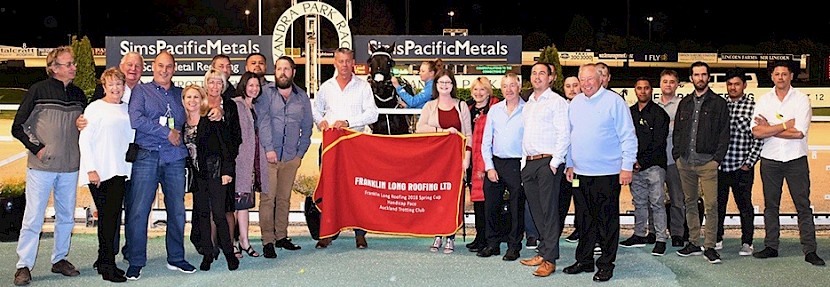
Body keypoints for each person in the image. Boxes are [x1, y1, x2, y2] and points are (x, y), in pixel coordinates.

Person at [11, 46, 86, 286]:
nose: (74, 67)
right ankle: (23, 265)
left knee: (66, 217)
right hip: (41, 167)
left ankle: (60, 259)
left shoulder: (79, 95)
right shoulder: (38, 90)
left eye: (73, 63)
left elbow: (85, 127)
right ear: (54, 68)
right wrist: (37, 148)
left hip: (70, 166)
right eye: (69, 64)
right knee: (33, 218)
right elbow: (18, 126)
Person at [124, 51, 197, 279]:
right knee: (138, 211)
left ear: (174, 69)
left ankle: (176, 258)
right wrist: (166, 132)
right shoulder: (141, 91)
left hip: (174, 158)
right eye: (160, 66)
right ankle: (136, 260)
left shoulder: (180, 94)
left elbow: (196, 111)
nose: (164, 70)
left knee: (176, 210)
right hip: (146, 156)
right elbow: (136, 120)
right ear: (153, 67)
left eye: (169, 66)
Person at [563, 63, 637, 282]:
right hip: (580, 174)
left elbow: (628, 136)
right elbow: (570, 136)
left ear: (601, 79)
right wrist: (569, 163)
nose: (586, 84)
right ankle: (584, 260)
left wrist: (627, 166)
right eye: (582, 80)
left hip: (607, 174)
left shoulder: (614, 102)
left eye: (590, 79)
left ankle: (606, 263)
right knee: (584, 220)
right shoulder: (575, 103)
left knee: (606, 221)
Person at [751, 61, 825, 266]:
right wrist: (785, 125)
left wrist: (771, 128)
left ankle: (810, 250)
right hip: (770, 159)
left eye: (785, 74)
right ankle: (771, 246)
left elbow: (799, 132)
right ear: (772, 77)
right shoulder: (764, 100)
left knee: (803, 206)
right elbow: (757, 132)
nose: (781, 77)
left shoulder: (801, 99)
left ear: (791, 76)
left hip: (796, 160)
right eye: (777, 74)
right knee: (770, 206)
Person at [77, 51, 144, 270]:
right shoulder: (95, 107)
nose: (115, 88)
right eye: (111, 84)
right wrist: (91, 170)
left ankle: (107, 259)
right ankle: (106, 262)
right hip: (101, 172)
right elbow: (84, 140)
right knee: (108, 219)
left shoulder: (128, 106)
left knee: (113, 218)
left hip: (122, 170)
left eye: (118, 84)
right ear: (104, 86)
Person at [313, 47, 378, 249]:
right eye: (340, 61)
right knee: (330, 187)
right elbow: (315, 108)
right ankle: (329, 231)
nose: (344, 65)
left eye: (348, 61)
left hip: (356, 144)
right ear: (335, 63)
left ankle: (360, 233)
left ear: (353, 63)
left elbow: (373, 114)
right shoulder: (326, 87)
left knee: (359, 188)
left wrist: (349, 122)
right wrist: (321, 121)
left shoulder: (363, 87)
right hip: (331, 145)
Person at [672, 61, 730, 264]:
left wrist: (716, 160)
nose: (700, 78)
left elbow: (724, 134)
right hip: (686, 162)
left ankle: (710, 246)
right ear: (691, 78)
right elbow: (678, 131)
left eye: (704, 74)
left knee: (712, 205)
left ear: (708, 77)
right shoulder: (685, 103)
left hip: (708, 164)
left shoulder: (718, 103)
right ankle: (694, 242)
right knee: (690, 203)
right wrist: (677, 155)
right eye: (696, 75)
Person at [516, 63, 569, 277]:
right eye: (534, 73)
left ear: (551, 78)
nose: (537, 77)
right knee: (537, 213)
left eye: (542, 73)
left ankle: (550, 259)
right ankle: (543, 250)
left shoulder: (557, 102)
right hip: (529, 163)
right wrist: (522, 163)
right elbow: (526, 136)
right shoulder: (528, 104)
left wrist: (555, 162)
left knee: (548, 212)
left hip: (548, 164)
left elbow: (564, 133)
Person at [256, 56, 313, 256]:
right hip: (269, 157)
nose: (282, 72)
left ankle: (281, 236)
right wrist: (268, 149)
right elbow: (262, 123)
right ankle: (267, 241)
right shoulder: (265, 93)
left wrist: (300, 154)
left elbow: (307, 127)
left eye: (286, 69)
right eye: (279, 68)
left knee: (284, 199)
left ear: (293, 72)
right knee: (267, 199)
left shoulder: (302, 97)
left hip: (290, 158)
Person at [181, 85, 239, 271]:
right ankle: (207, 254)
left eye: (196, 97)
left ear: (202, 99)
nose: (192, 100)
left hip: (216, 173)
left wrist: (227, 172)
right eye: (188, 97)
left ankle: (230, 254)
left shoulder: (212, 120)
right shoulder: (183, 125)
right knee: (203, 216)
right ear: (183, 101)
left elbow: (226, 147)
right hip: (198, 177)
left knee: (219, 215)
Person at [415, 69, 472, 254]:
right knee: (436, 197)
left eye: (448, 83)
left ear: (453, 85)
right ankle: (437, 234)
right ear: (436, 85)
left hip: (455, 161)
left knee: (453, 198)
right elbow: (420, 128)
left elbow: (468, 135)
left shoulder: (461, 106)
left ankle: (450, 236)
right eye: (441, 83)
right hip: (434, 161)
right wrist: (442, 131)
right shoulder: (429, 106)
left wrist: (466, 159)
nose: (445, 86)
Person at [619, 78, 670, 256]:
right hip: (634, 166)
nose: (642, 91)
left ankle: (660, 239)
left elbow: (658, 142)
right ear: (635, 90)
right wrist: (631, 161)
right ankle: (640, 234)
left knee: (657, 203)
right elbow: (624, 137)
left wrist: (641, 161)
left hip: (654, 166)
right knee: (639, 202)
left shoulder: (659, 114)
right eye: (639, 88)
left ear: (651, 90)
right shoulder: (629, 113)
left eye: (646, 88)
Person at [479, 72, 526, 262]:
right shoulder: (495, 110)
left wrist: (525, 167)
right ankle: (493, 244)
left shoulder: (529, 110)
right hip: (496, 163)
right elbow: (485, 142)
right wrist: (489, 167)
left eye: (512, 85)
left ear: (519, 87)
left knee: (516, 208)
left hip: (518, 164)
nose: (509, 89)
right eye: (505, 86)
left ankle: (514, 247)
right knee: (491, 205)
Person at [716, 69, 762, 257]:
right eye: (729, 84)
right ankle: (717, 238)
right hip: (720, 166)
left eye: (736, 84)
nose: (732, 87)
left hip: (741, 167)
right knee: (717, 206)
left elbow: (758, 139)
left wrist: (748, 163)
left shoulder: (753, 108)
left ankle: (747, 242)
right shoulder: (720, 106)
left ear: (744, 85)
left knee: (745, 206)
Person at [202, 68, 242, 259]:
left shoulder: (230, 106)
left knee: (227, 209)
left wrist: (228, 162)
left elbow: (237, 136)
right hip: (203, 167)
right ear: (206, 84)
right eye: (211, 82)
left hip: (225, 165)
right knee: (208, 210)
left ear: (224, 85)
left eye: (219, 83)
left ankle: (230, 245)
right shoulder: (198, 103)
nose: (215, 86)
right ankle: (210, 248)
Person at [231, 72, 268, 259]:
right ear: (243, 85)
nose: (254, 89)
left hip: (251, 163)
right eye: (250, 85)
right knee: (236, 205)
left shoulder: (255, 107)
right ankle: (233, 243)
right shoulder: (235, 105)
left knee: (244, 205)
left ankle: (245, 241)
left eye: (257, 86)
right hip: (238, 163)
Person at [465, 76, 502, 252]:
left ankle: (490, 239)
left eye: (482, 89)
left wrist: (484, 164)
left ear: (489, 91)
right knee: (477, 202)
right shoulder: (469, 108)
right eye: (475, 90)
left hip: (488, 161)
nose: (478, 93)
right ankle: (480, 237)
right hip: (472, 160)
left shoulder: (496, 108)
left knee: (489, 202)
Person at [655, 69, 688, 247]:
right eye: (665, 81)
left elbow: (683, 130)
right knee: (655, 199)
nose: (668, 84)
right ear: (660, 84)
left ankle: (677, 233)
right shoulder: (653, 106)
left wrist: (662, 127)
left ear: (677, 84)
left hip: (675, 160)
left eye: (672, 81)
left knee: (677, 199)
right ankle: (655, 232)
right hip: (656, 161)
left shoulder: (683, 105)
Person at [560, 75, 581, 243]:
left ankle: (580, 229)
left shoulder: (584, 107)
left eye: (575, 85)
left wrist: (572, 164)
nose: (572, 89)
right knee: (561, 202)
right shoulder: (560, 107)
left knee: (580, 199)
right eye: (568, 86)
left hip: (579, 166)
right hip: (560, 165)